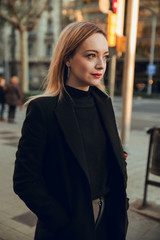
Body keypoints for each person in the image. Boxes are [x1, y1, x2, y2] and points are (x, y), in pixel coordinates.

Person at [13, 22, 129, 240]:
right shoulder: (44, 110)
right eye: (91, 55)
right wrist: (62, 221)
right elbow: (24, 180)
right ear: (67, 58)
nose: (100, 65)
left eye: (105, 56)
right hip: (67, 229)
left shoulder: (103, 103)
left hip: (110, 221)